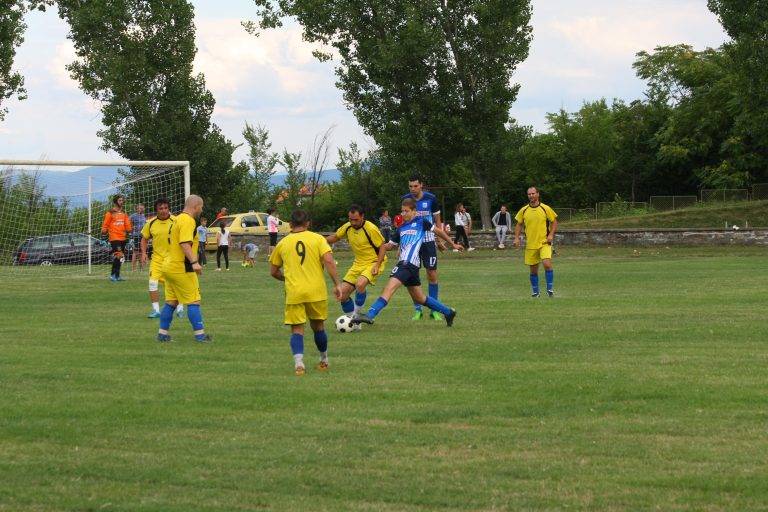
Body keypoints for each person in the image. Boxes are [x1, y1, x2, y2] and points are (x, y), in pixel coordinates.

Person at [352, 198, 463, 327]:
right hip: (410, 266)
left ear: (414, 211)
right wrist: (377, 246)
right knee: (420, 298)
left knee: (389, 288)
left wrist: (452, 244)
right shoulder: (401, 228)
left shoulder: (422, 222)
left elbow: (438, 232)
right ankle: (448, 312)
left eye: (406, 211)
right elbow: (390, 245)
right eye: (402, 211)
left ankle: (370, 315)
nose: (403, 214)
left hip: (407, 264)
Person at [269, 209, 343, 376]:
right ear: (308, 223)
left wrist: (286, 279)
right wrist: (338, 284)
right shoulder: (318, 239)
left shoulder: (283, 243)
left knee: (297, 329)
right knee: (318, 327)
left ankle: (299, 364)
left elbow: (273, 271)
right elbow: (329, 261)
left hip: (295, 292)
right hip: (316, 291)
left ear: (290, 224)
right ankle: (323, 360)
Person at [157, 194, 210, 343]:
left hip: (168, 266)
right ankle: (200, 336)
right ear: (196, 206)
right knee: (194, 301)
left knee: (171, 302)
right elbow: (185, 243)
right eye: (201, 206)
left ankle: (162, 334)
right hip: (181, 267)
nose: (202, 209)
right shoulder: (188, 220)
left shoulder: (177, 219)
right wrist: (195, 262)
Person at [326, 205, 387, 317]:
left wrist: (377, 265)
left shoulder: (371, 229)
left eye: (356, 220)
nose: (353, 223)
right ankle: (353, 321)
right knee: (340, 293)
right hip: (358, 263)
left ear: (362, 216)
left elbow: (382, 247)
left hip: (374, 261)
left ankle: (356, 314)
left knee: (360, 284)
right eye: (350, 219)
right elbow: (335, 237)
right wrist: (319, 241)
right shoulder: (347, 227)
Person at [402, 175, 443, 320]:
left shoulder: (431, 198)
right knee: (413, 275)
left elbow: (438, 221)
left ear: (421, 185)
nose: (413, 189)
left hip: (428, 241)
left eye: (415, 186)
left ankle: (434, 310)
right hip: (412, 242)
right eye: (410, 186)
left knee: (432, 274)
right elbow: (404, 221)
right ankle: (417, 309)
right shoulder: (406, 199)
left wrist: (440, 240)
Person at [140, 198, 184, 319]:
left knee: (175, 284)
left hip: (173, 259)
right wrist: (143, 253)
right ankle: (156, 310)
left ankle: (180, 308)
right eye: (160, 208)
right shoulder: (151, 223)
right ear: (156, 210)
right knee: (152, 283)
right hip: (157, 260)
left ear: (168, 208)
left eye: (165, 208)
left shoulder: (176, 221)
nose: (163, 210)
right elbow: (144, 239)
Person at [513, 187, 558, 298]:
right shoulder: (524, 210)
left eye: (533, 193)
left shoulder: (545, 208)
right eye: (529, 194)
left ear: (538, 194)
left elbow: (554, 221)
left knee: (547, 264)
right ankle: (535, 293)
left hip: (544, 242)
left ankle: (550, 290)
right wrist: (516, 238)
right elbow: (519, 224)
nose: (531, 196)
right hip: (531, 245)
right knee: (533, 270)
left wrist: (551, 234)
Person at [101, 194, 132, 282]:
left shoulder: (124, 213)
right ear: (115, 202)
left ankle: (117, 276)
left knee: (120, 257)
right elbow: (105, 224)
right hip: (114, 237)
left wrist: (129, 230)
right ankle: (112, 275)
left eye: (122, 200)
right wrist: (103, 232)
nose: (121, 202)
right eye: (120, 200)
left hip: (123, 238)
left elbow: (127, 225)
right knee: (119, 255)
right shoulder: (110, 212)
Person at [129, 203, 147, 272]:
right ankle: (133, 269)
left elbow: (144, 224)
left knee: (141, 251)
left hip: (142, 235)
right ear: (137, 209)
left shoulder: (143, 216)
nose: (142, 209)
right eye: (140, 208)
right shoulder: (133, 216)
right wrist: (132, 228)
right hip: (136, 235)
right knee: (135, 252)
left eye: (142, 208)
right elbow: (128, 221)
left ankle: (141, 268)